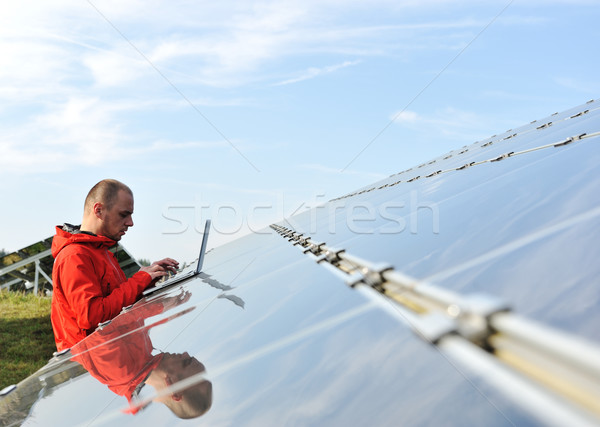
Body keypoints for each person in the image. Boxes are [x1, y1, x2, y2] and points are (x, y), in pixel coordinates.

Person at [51, 179, 179, 351]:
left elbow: (117, 305)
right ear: (98, 210)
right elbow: (92, 316)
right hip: (97, 363)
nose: (130, 223)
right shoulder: (74, 256)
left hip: (119, 356)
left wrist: (148, 279)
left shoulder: (102, 252)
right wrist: (139, 280)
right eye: (123, 215)